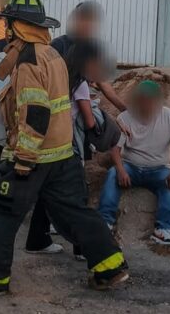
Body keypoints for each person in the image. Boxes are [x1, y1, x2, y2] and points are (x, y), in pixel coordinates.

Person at [0, 0, 128, 294]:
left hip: (33, 157)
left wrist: (22, 159)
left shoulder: (28, 63)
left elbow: (35, 113)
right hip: (62, 156)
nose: (6, 30)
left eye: (8, 23)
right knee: (74, 212)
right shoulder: (53, 54)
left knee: (0, 211)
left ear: (15, 26)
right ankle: (110, 266)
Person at [25, 38, 120, 259]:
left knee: (47, 193)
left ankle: (37, 240)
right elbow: (88, 122)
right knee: (78, 200)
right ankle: (83, 249)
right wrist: (103, 124)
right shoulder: (81, 85)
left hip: (47, 144)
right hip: (69, 148)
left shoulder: (59, 78)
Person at [98, 81, 170, 246]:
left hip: (159, 168)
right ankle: (105, 223)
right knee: (112, 174)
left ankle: (163, 230)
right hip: (130, 167)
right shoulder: (125, 117)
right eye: (142, 99)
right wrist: (120, 169)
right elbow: (115, 149)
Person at [51, 2, 129, 117]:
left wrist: (125, 110)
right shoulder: (58, 45)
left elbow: (102, 83)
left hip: (79, 109)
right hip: (58, 109)